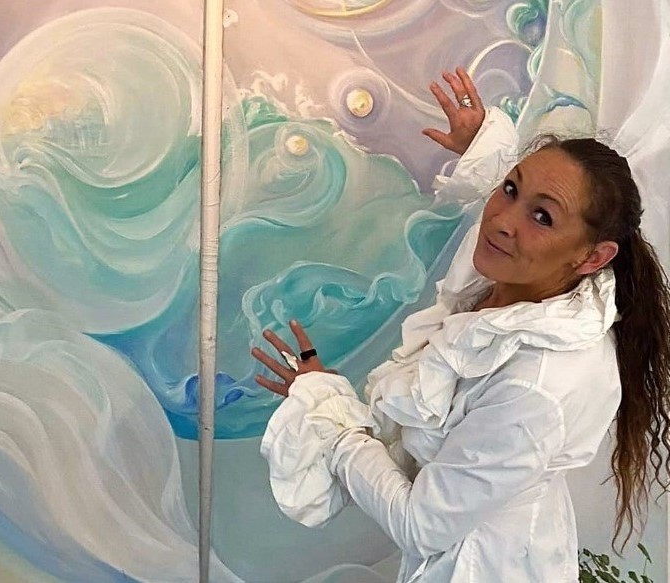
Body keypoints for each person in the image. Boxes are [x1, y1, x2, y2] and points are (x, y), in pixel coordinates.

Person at [252, 67, 670, 582]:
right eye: (511, 188)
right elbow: (502, 203)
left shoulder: (539, 384)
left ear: (593, 257)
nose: (502, 220)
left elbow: (420, 525)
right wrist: (483, 148)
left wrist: (329, 416)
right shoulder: (509, 272)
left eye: (542, 217)